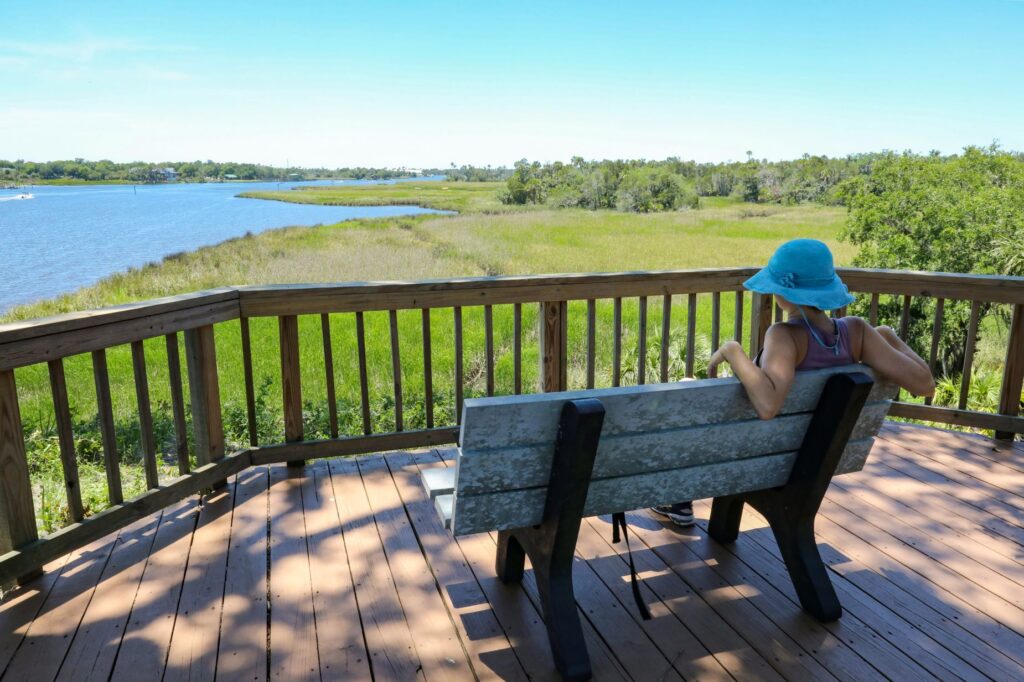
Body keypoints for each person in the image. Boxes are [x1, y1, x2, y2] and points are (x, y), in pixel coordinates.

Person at [651, 238, 935, 527]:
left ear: (784, 292)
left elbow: (767, 406)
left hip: (758, 457)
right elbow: (925, 384)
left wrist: (733, 352)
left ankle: (679, 498)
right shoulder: (858, 332)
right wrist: (887, 335)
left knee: (688, 389)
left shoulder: (784, 336)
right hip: (811, 459)